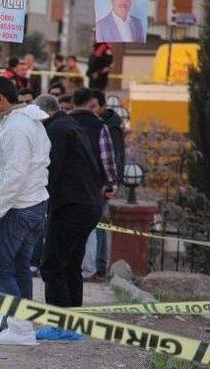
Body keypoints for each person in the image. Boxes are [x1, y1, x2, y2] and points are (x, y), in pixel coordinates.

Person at [0, 76, 50, 301]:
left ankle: (15, 326)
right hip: (31, 205)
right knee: (19, 268)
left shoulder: (16, 127)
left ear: (1, 99)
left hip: (17, 209)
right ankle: (21, 326)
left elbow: (15, 174)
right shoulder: (26, 121)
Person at [35, 95, 102, 307]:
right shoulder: (72, 126)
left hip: (70, 207)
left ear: (44, 113)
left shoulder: (55, 131)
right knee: (71, 264)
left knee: (51, 265)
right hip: (87, 204)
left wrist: (38, 201)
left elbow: (51, 170)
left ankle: (59, 322)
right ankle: (73, 319)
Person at [70, 88, 118, 281]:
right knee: (88, 230)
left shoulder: (65, 124)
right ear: (90, 103)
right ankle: (88, 270)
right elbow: (108, 160)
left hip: (67, 187)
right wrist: (112, 184)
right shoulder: (99, 127)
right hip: (92, 187)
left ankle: (71, 266)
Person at [92, 90, 126, 278]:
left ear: (103, 106)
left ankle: (99, 267)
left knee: (100, 226)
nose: (91, 110)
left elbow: (116, 157)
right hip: (93, 182)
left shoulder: (111, 127)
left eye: (94, 106)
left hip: (103, 184)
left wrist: (112, 184)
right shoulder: (100, 124)